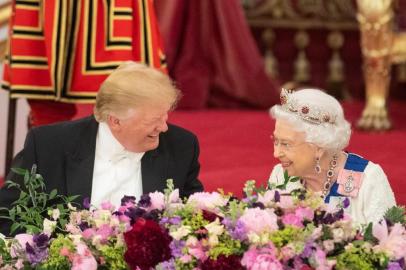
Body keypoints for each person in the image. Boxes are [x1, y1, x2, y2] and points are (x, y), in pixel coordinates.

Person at [0, 62, 204, 233]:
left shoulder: (181, 146)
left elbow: (195, 218)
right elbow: (7, 215)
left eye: (165, 116)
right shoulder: (48, 145)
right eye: (153, 120)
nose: (163, 127)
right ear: (115, 121)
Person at [268, 88, 396, 225]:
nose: (276, 153)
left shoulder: (368, 179)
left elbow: (390, 240)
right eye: (276, 141)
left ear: (318, 147)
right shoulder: (280, 175)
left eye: (286, 144)